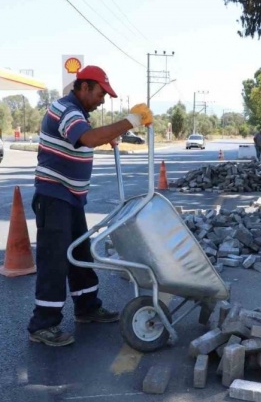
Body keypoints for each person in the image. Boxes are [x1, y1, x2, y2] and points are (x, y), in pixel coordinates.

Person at [28, 65, 154, 347]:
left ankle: (87, 308)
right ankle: (43, 325)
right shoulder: (66, 109)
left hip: (69, 197)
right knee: (54, 259)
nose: (103, 100)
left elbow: (86, 136)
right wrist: (130, 120)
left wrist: (106, 135)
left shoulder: (78, 114)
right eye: (100, 93)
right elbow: (87, 137)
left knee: (80, 253)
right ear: (84, 87)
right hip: (54, 196)